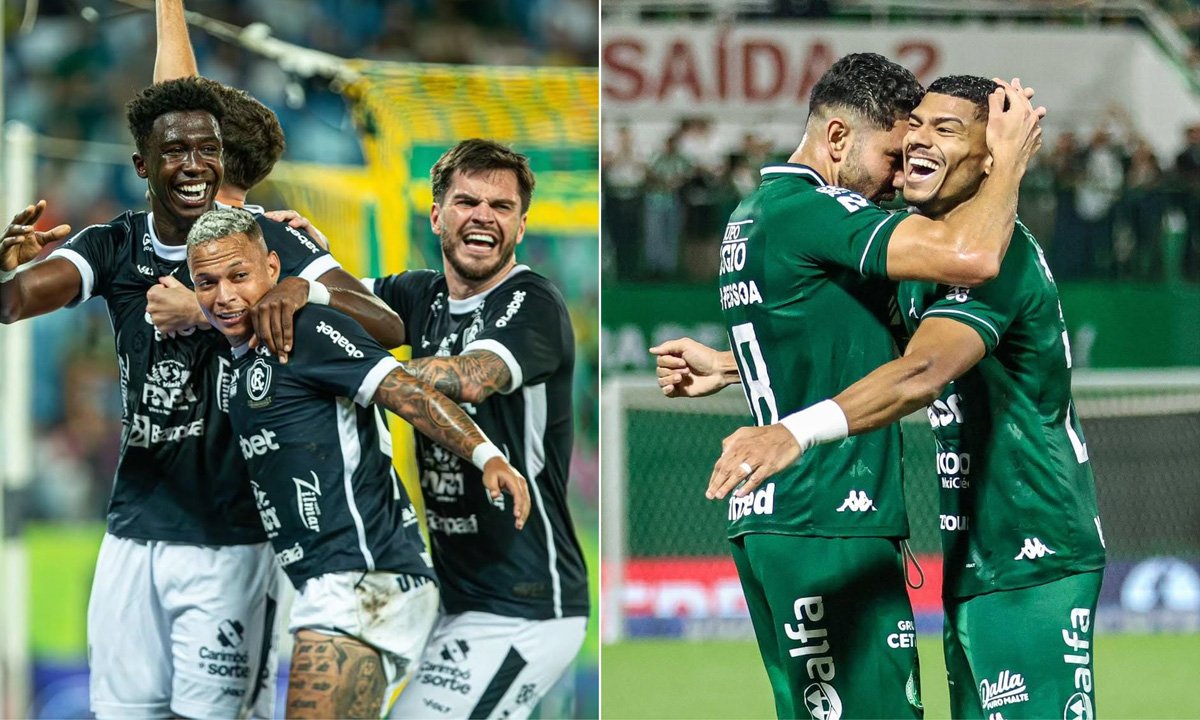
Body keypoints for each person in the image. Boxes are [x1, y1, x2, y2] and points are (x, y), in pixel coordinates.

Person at [650, 53, 1044, 718]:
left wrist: (726, 366)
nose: (899, 176)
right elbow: (972, 258)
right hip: (827, 518)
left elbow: (814, 343)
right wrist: (1006, 162)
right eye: (893, 155)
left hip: (779, 522)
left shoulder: (755, 211)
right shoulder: (814, 209)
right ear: (837, 139)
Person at [0, 77, 398, 719]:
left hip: (233, 538)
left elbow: (383, 321)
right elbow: (13, 301)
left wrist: (286, 294)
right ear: (142, 166)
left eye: (207, 150)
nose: (193, 165)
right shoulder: (115, 245)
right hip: (132, 533)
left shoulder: (271, 243)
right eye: (175, 150)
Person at [185, 206, 531, 718]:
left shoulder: (306, 329)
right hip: (339, 580)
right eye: (206, 282)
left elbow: (403, 389)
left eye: (239, 276)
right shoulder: (237, 358)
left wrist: (487, 455)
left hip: (363, 576)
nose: (225, 295)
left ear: (274, 270)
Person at [363, 139, 590, 720]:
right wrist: (295, 271)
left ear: (519, 224)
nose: (484, 216)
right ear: (436, 214)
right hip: (459, 599)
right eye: (467, 201)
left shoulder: (532, 301)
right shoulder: (418, 295)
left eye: (502, 206)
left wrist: (353, 373)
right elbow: (322, 317)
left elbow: (467, 379)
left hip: (526, 605)